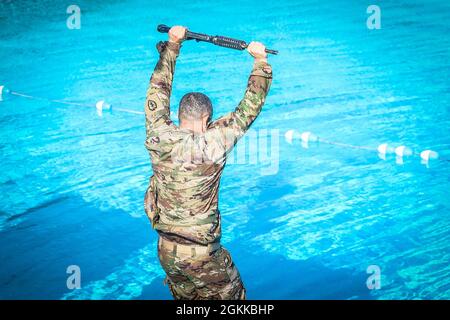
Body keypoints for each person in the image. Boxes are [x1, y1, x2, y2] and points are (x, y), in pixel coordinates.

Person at [144, 25, 272, 300]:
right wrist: (260, 61)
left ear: (178, 117)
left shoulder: (159, 135)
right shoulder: (214, 143)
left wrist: (173, 45)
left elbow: (157, 91)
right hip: (203, 256)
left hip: (167, 252)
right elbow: (249, 107)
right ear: (206, 121)